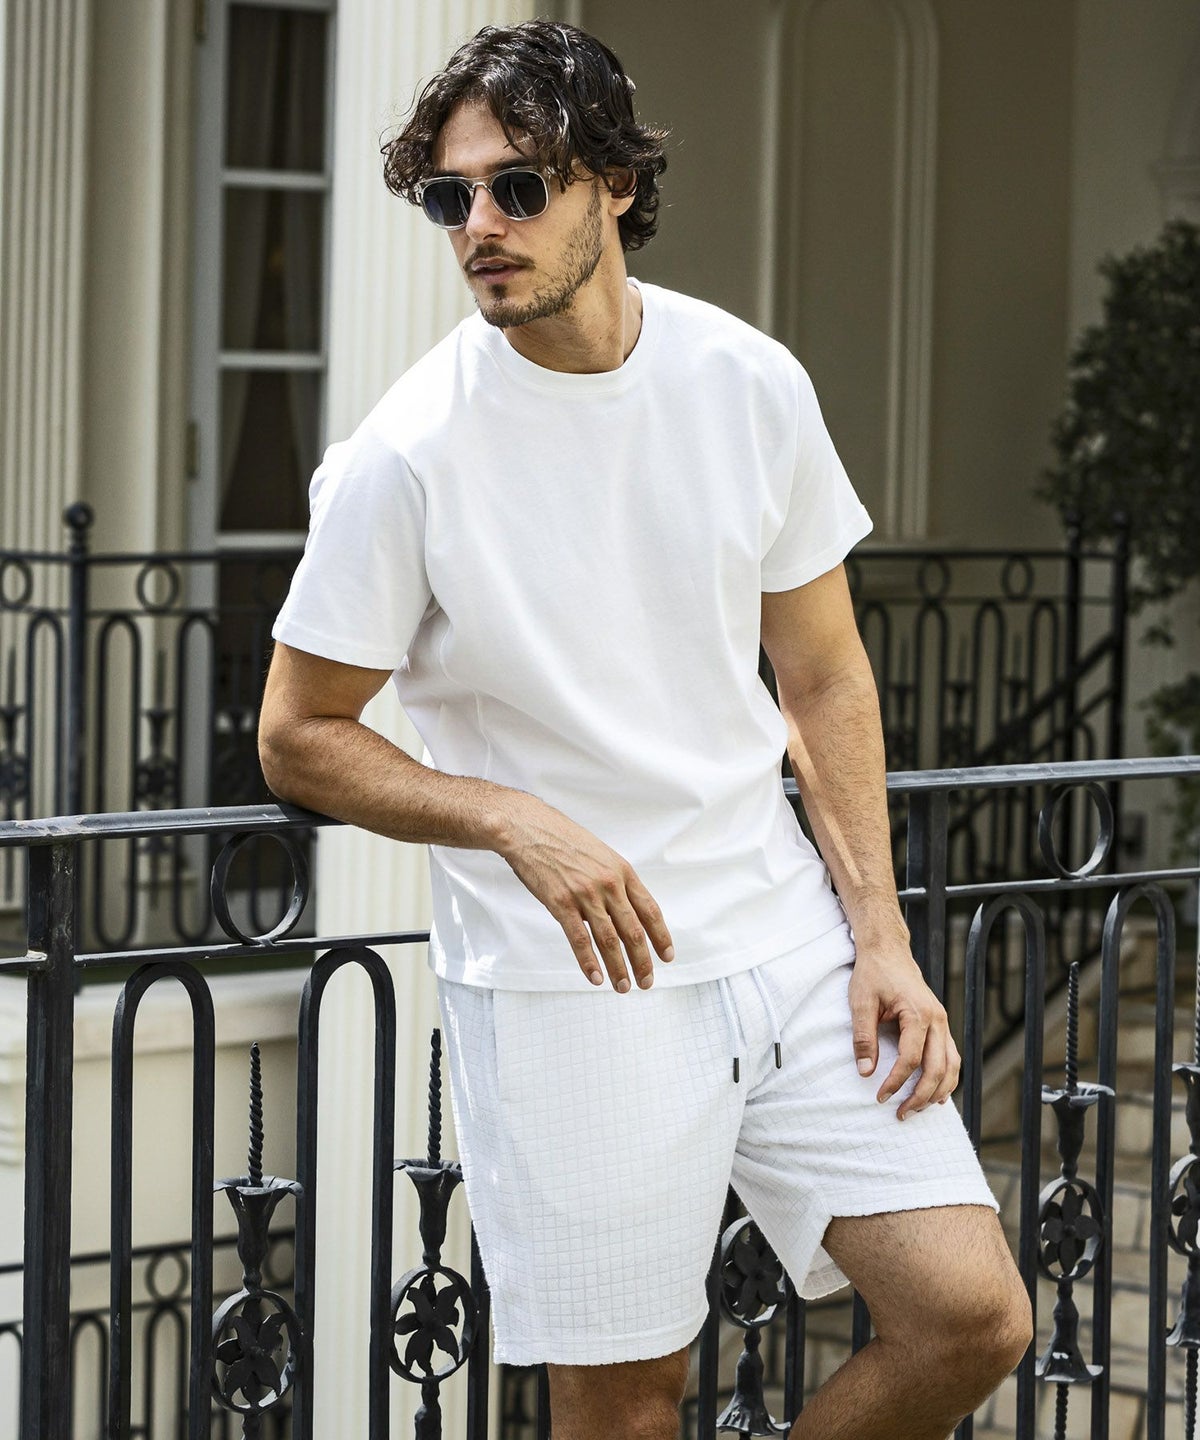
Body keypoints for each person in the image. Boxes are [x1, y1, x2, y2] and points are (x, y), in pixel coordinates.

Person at [259, 20, 1032, 1439]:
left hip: (785, 937)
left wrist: (880, 935)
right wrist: (512, 821)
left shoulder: (749, 382)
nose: (480, 226)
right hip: (574, 979)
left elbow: (824, 680)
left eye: (518, 187)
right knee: (626, 1407)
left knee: (971, 1316)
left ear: (614, 181)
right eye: (449, 198)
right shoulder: (404, 456)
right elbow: (298, 733)